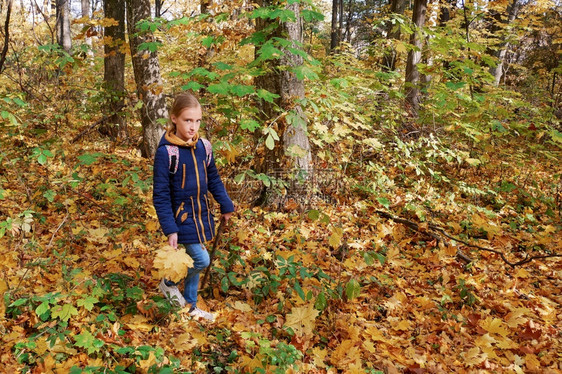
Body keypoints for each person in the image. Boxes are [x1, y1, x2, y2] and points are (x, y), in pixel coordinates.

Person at [152, 92, 234, 321]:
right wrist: (170, 229)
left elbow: (214, 178)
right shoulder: (167, 153)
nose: (193, 126)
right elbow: (160, 195)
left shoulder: (203, 147)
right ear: (174, 119)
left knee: (193, 262)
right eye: (188, 120)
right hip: (182, 220)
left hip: (200, 217)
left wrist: (225, 204)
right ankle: (168, 283)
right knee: (201, 261)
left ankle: (190, 306)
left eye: (197, 121)